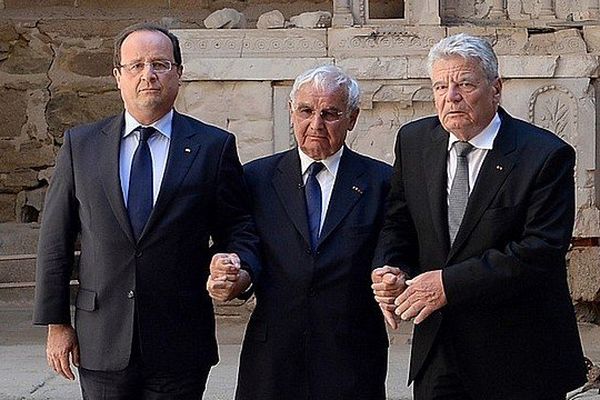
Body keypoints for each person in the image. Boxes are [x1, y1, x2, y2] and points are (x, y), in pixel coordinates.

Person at [33, 22, 261, 399]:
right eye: (136, 65)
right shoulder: (81, 145)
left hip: (180, 338)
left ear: (179, 74)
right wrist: (56, 323)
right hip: (101, 337)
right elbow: (55, 239)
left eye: (160, 64)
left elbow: (237, 228)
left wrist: (235, 265)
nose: (148, 75)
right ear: (117, 77)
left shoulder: (212, 146)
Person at [371, 33, 587, 400]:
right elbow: (399, 221)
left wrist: (447, 285)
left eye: (465, 84)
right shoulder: (414, 141)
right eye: (440, 85)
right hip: (439, 350)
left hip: (520, 356)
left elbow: (539, 251)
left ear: (496, 88)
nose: (450, 96)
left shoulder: (544, 155)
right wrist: (390, 268)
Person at [207, 65, 392, 400]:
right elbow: (241, 244)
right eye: (306, 111)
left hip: (352, 358)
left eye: (330, 113)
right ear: (291, 112)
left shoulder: (382, 182)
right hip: (272, 359)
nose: (316, 124)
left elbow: (392, 249)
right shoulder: (256, 179)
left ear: (352, 118)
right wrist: (234, 273)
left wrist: (393, 274)